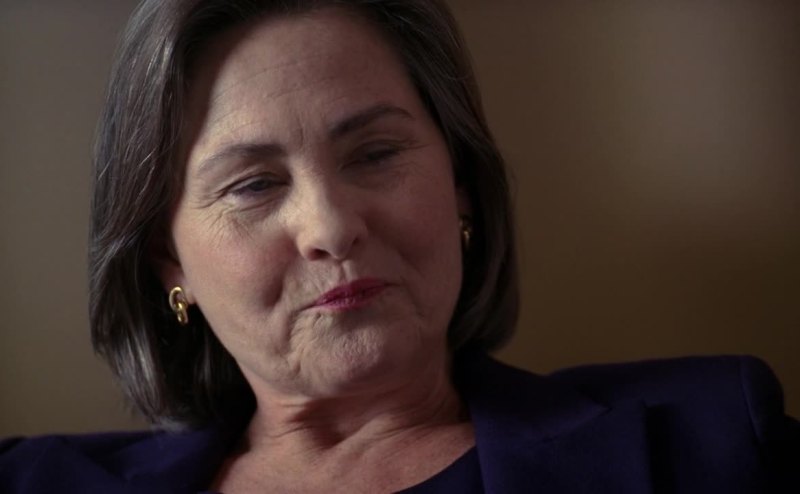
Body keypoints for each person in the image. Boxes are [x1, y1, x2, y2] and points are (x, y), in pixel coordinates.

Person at [1, 0, 798, 492]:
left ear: (461, 185)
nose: (331, 227)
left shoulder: (709, 442)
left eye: (376, 153)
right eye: (253, 185)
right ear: (169, 264)